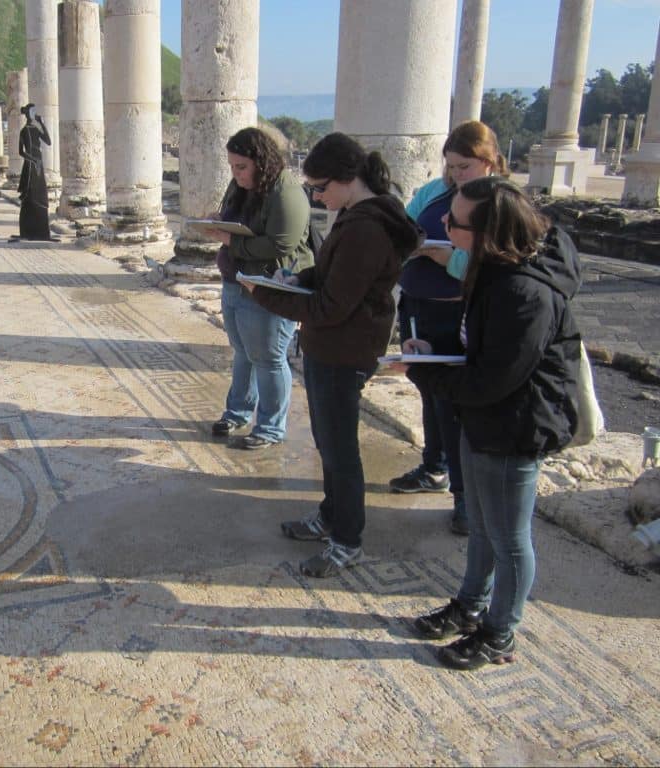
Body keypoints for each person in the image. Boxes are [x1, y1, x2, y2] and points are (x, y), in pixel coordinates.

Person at [404, 176, 580, 670]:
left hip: (513, 427)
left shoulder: (526, 293)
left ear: (486, 234)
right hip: (482, 420)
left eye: (453, 221)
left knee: (508, 538)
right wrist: (435, 353)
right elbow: (476, 351)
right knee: (481, 526)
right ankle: (469, 604)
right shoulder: (493, 272)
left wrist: (424, 372)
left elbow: (492, 381)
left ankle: (500, 631)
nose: (442, 224)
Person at [244, 132, 421, 576]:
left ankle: (347, 540)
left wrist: (264, 295)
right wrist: (296, 280)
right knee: (327, 442)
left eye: (321, 187)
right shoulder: (355, 215)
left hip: (345, 349)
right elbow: (327, 276)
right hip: (334, 345)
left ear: (349, 178)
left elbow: (331, 306)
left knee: (341, 451)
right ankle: (329, 517)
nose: (317, 197)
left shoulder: (367, 228)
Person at [389, 121, 508, 536]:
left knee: (455, 406)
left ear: (489, 162)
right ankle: (433, 465)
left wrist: (447, 260)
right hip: (419, 305)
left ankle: (465, 499)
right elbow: (403, 228)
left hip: (460, 311)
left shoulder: (501, 203)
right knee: (428, 388)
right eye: (452, 166)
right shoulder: (433, 192)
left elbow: (499, 262)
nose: (456, 175)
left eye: (465, 167)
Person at [204, 127, 314, 450]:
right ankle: (237, 412)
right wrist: (220, 221)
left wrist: (230, 240)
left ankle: (269, 427)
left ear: (261, 162)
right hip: (236, 281)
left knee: (268, 357)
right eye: (232, 167)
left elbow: (282, 243)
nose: (236, 174)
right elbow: (236, 219)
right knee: (243, 352)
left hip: (268, 287)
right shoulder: (241, 185)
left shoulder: (286, 191)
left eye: (241, 167)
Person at [17, 102, 52, 240]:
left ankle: (41, 230)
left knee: (40, 195)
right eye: (32, 112)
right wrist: (33, 160)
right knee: (30, 195)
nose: (34, 114)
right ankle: (28, 230)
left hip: (39, 163)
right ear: (27, 114)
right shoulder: (24, 131)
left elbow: (48, 141)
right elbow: (21, 152)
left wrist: (42, 123)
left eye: (35, 112)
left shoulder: (36, 130)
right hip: (31, 165)